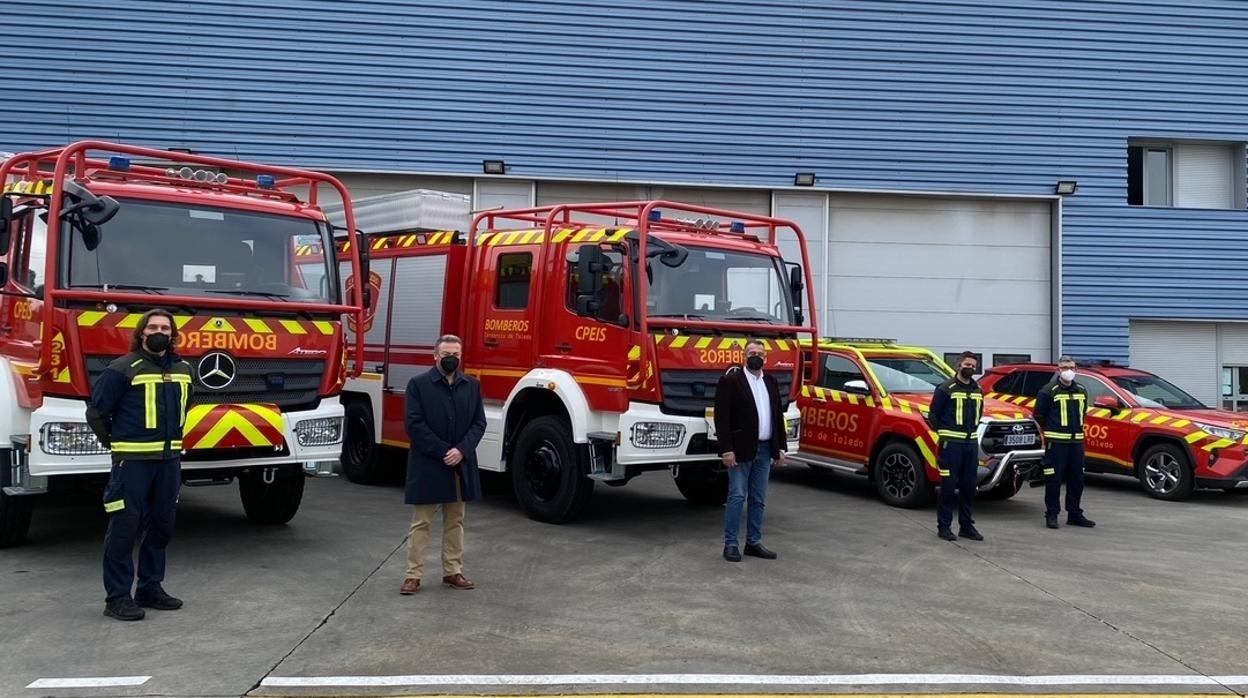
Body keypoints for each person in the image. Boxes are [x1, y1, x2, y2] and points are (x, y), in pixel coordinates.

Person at [86, 308, 193, 621]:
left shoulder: (185, 368)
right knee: (124, 527)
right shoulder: (122, 368)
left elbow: (188, 405)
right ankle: (117, 597)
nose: (158, 331)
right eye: (152, 326)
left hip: (169, 461)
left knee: (162, 525)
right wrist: (116, 445)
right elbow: (97, 413)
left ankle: (150, 587)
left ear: (173, 335)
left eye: (165, 327)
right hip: (131, 462)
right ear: (142, 333)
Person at [400, 334, 486, 594]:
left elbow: (478, 423)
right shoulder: (418, 384)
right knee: (421, 522)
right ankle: (413, 575)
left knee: (455, 520)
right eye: (447, 354)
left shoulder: (471, 385)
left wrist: (461, 450)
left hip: (459, 464)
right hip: (428, 463)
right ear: (435, 355)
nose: (452, 359)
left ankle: (453, 571)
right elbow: (414, 425)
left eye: (456, 355)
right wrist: (443, 451)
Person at [714, 339, 786, 562]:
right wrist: (726, 449)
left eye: (760, 353)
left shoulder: (771, 382)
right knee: (736, 496)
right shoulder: (731, 381)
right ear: (744, 356)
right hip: (740, 450)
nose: (756, 356)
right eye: (751, 352)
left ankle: (753, 542)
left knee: (758, 499)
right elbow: (722, 418)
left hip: (765, 450)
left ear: (766, 358)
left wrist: (780, 448)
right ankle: (731, 544)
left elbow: (777, 417)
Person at [927, 351, 985, 542]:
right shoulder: (946, 388)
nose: (971, 368)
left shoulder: (978, 390)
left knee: (969, 487)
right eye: (967, 364)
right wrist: (946, 434)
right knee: (948, 486)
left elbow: (979, 413)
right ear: (959, 365)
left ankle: (966, 527)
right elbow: (933, 415)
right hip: (951, 444)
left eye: (973, 365)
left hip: (970, 445)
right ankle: (944, 527)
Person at [1034, 355, 1096, 530]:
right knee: (1054, 479)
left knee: (1077, 480)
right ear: (1058, 370)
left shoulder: (1081, 390)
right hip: (1056, 444)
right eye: (1064, 368)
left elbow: (1082, 413)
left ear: (1076, 369)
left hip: (1076, 443)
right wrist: (1052, 433)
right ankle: (1052, 514)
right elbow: (1039, 415)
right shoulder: (1048, 390)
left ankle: (1074, 514)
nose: (1068, 371)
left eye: (1071, 367)